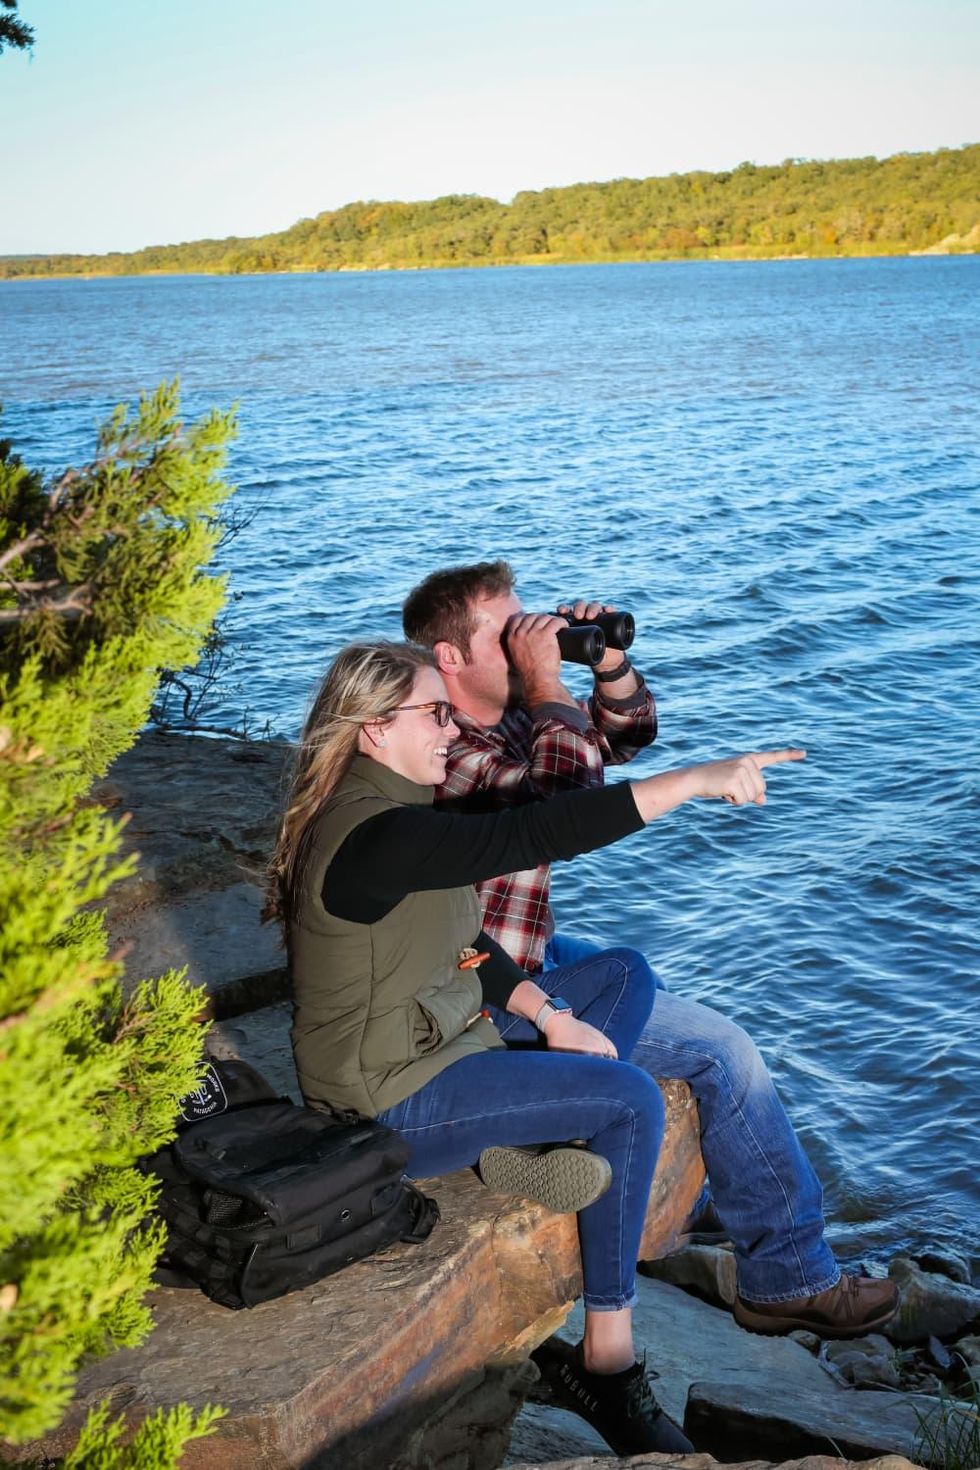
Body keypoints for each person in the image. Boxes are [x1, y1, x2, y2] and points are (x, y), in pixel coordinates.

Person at [266, 641, 898, 1459]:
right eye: (434, 714)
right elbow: (545, 828)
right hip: (389, 1095)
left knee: (622, 975)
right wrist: (698, 780)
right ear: (374, 731)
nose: (451, 730)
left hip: (446, 1041)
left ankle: (530, 1138)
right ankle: (607, 1358)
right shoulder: (378, 836)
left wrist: (550, 1015)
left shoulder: (399, 810)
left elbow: (468, 942)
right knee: (632, 1096)